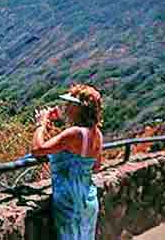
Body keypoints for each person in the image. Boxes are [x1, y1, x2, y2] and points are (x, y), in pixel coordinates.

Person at [31, 84, 103, 240]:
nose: (65, 106)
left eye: (69, 103)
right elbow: (96, 166)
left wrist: (41, 123)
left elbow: (38, 149)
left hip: (69, 201)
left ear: (78, 108)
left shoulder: (75, 133)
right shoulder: (97, 134)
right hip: (87, 198)